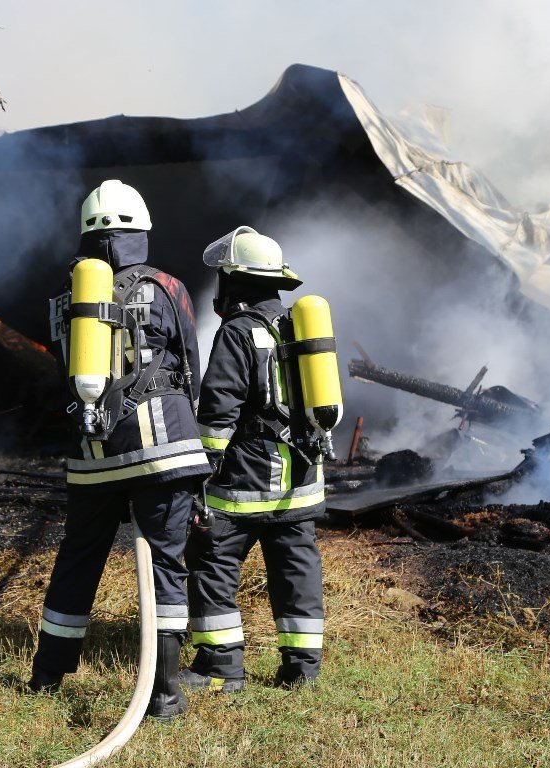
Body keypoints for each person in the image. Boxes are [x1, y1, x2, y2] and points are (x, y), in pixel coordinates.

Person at [30, 180, 211, 720]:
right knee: (165, 565)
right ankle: (164, 693)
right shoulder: (168, 287)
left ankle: (46, 675)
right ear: (142, 231)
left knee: (78, 559)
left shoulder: (67, 299)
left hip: (93, 453)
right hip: (162, 449)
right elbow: (189, 365)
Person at [182, 226, 328, 691]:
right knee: (295, 567)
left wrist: (200, 471)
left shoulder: (237, 333)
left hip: (245, 480)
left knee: (213, 560)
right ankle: (301, 670)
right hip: (300, 478)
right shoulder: (298, 330)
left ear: (235, 282)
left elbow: (219, 409)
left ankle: (220, 667)